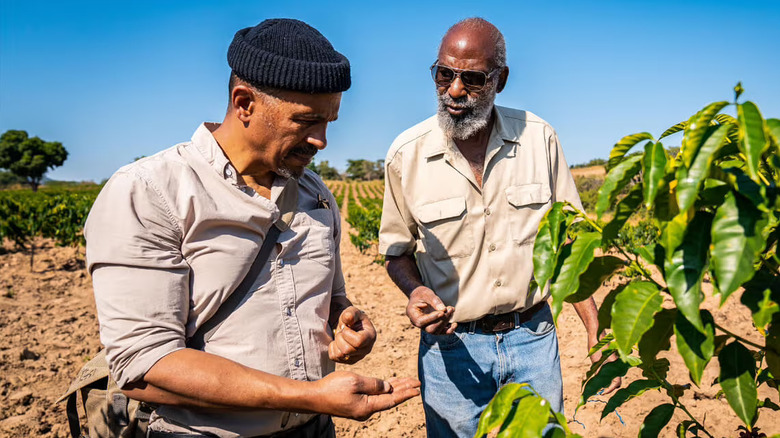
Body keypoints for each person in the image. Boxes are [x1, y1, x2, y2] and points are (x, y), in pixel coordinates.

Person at [85, 18, 419, 438]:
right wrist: (310, 396)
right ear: (244, 103)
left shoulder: (316, 195)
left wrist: (344, 322)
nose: (322, 140)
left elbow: (332, 299)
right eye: (306, 121)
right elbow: (144, 365)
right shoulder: (151, 193)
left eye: (329, 121)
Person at [378, 17, 619, 437]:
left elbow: (567, 245)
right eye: (443, 75)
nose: (454, 91)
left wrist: (596, 331)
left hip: (534, 338)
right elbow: (396, 251)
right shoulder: (405, 156)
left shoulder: (539, 140)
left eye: (471, 79)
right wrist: (416, 290)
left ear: (500, 80)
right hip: (451, 349)